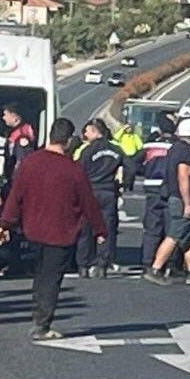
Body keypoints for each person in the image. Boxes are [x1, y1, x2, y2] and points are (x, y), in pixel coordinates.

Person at [0, 118, 107, 340]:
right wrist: (100, 230)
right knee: (52, 278)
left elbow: (16, 196)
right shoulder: (73, 169)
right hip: (61, 232)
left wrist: (5, 224)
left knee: (40, 275)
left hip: (33, 229)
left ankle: (38, 315)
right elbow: (88, 203)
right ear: (67, 141)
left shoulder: (30, 163)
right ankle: (42, 324)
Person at [143, 118, 190, 287]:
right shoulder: (185, 152)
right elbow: (183, 176)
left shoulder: (175, 149)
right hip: (181, 199)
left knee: (188, 236)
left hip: (175, 197)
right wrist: (188, 203)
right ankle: (155, 268)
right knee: (175, 235)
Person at [76, 119, 124, 278]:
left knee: (86, 229)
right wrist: (123, 184)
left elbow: (79, 172)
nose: (85, 135)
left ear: (96, 132)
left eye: (87, 131)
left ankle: (83, 265)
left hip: (90, 192)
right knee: (106, 229)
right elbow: (130, 166)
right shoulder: (116, 149)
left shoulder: (87, 151)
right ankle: (102, 265)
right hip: (108, 192)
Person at [137, 128, 172, 270]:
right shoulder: (175, 146)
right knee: (170, 230)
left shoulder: (149, 146)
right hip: (169, 188)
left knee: (152, 228)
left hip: (151, 187)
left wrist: (146, 172)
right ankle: (168, 263)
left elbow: (134, 163)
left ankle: (147, 261)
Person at [1, 103, 36, 184]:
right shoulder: (14, 132)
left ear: (14, 116)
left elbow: (21, 160)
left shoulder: (23, 135)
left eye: (5, 115)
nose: (3, 118)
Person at [113, 121, 144, 192]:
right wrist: (122, 130)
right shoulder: (121, 135)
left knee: (131, 172)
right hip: (122, 156)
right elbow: (115, 138)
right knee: (121, 172)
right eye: (127, 128)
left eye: (129, 128)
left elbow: (140, 146)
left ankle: (129, 186)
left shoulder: (135, 136)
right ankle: (121, 185)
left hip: (132, 157)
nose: (128, 129)